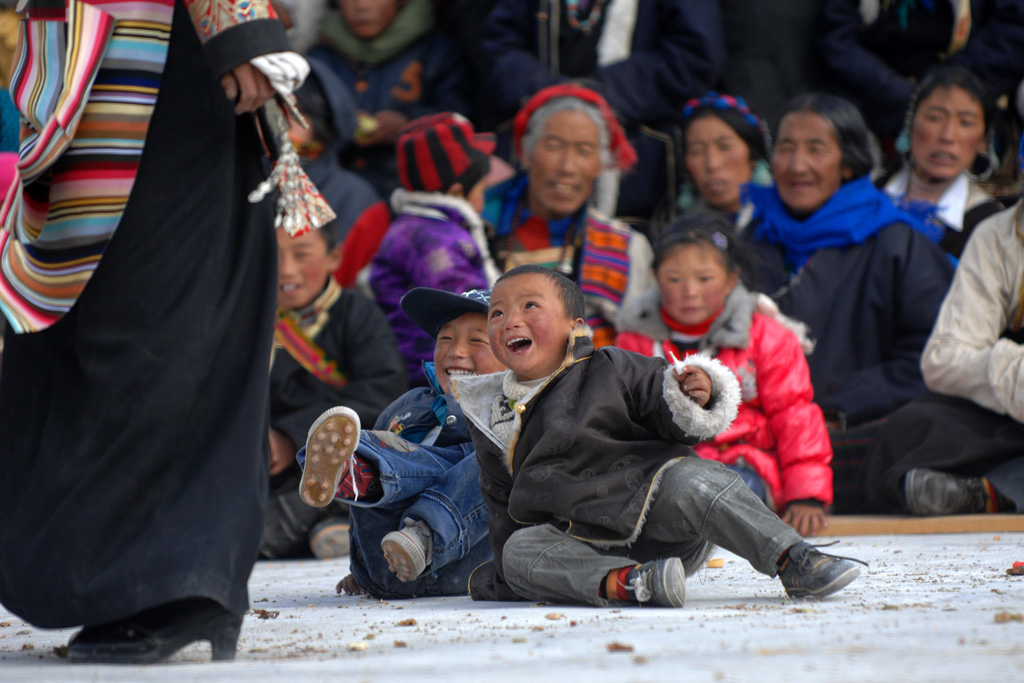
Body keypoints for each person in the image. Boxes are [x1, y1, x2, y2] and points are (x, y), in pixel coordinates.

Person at [0, 0, 297, 664]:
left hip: (169, 55)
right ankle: (145, 579)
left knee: (157, 319)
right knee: (79, 322)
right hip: (76, 57)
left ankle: (177, 583)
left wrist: (237, 17)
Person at [453, 265, 863, 607]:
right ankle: (633, 584)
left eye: (529, 306)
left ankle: (792, 559)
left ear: (573, 326)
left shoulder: (610, 367)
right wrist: (508, 574)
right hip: (577, 542)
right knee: (520, 552)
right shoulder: (491, 413)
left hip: (657, 516)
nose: (512, 321)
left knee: (695, 478)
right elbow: (501, 501)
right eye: (497, 313)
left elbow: (661, 398)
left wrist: (694, 392)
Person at [742, 93, 955, 512]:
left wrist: (833, 405)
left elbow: (932, 356)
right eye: (786, 148)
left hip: (860, 438)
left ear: (848, 163)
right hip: (767, 443)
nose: (797, 164)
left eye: (816, 149)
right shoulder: (752, 241)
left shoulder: (897, 242)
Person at [616, 214, 833, 537]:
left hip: (743, 467)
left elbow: (795, 414)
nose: (690, 291)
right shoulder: (633, 343)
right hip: (663, 472)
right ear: (655, 277)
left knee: (727, 497)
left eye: (704, 279)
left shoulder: (767, 338)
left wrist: (807, 494)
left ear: (732, 280)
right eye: (675, 279)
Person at [298, 287, 504, 598]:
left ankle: (417, 526)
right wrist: (360, 569)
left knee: (502, 452)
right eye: (445, 339)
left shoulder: (513, 412)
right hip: (386, 568)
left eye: (477, 341)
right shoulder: (407, 406)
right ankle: (355, 472)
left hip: (460, 566)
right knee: (377, 447)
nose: (455, 351)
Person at [480, 0, 725, 223]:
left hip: (639, 178)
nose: (568, 165)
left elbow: (694, 55)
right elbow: (499, 44)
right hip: (533, 161)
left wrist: (590, 93)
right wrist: (552, 93)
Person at [859, 195, 1024, 516]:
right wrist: (1015, 375)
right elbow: (943, 359)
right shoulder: (998, 236)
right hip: (1015, 414)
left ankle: (989, 493)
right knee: (911, 428)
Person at [264, 223, 407, 560]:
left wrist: (290, 436)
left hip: (332, 462)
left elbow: (382, 391)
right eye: (274, 255)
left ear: (334, 257)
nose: (286, 269)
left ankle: (336, 517)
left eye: (302, 254)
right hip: (261, 465)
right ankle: (328, 526)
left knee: (261, 531)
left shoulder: (357, 316)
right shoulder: (250, 319)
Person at [482, 84, 654, 349]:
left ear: (600, 165)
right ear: (526, 152)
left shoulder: (627, 249)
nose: (567, 167)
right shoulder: (475, 228)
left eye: (584, 151)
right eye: (554, 146)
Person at [370, 112, 501, 386]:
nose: (482, 202)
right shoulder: (436, 241)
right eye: (481, 190)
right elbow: (466, 305)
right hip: (430, 375)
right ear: (456, 194)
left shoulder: (415, 226)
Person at [307, 0, 470, 200]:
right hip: (333, 196)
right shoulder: (320, 57)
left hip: (407, 194)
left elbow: (459, 118)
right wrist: (338, 124)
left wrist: (407, 123)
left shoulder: (436, 53)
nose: (361, 6)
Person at [817, 0, 1024, 143]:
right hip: (870, 100)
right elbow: (837, 38)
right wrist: (895, 90)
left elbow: (1011, 34)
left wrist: (937, 86)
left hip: (965, 91)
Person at [880, 66, 1004, 260]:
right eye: (934, 118)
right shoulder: (867, 194)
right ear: (910, 126)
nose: (947, 136)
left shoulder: (990, 224)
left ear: (982, 141)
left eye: (966, 123)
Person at [289, 60, 379, 243]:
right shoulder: (240, 183)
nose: (277, 125)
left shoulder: (355, 199)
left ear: (325, 127)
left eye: (295, 114)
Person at [676, 92, 773, 227]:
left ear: (753, 156)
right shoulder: (687, 235)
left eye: (725, 147)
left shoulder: (787, 227)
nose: (712, 164)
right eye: (697, 151)